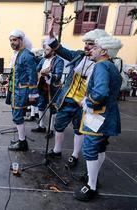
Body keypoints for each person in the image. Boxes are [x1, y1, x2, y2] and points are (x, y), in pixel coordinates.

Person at [46, 19, 110, 169]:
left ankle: (74, 155)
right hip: (67, 99)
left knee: (79, 130)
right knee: (58, 125)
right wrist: (50, 33)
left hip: (84, 103)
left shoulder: (101, 63)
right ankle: (57, 150)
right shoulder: (78, 56)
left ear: (100, 46)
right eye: (86, 43)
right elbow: (60, 49)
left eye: (91, 43)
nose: (87, 46)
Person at [74, 36, 122, 201]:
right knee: (100, 148)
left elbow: (100, 93)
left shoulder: (101, 66)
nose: (91, 49)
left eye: (95, 47)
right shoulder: (111, 66)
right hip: (107, 115)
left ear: (104, 51)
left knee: (90, 149)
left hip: (98, 116)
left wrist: (87, 102)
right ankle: (92, 178)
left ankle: (91, 186)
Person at [7, 29, 38, 151]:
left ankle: (22, 143)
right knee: (16, 116)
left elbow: (33, 75)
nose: (12, 42)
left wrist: (33, 93)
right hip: (16, 92)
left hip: (21, 92)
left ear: (21, 40)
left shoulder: (26, 55)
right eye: (10, 40)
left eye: (14, 40)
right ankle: (21, 139)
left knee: (18, 116)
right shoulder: (19, 54)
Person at [31, 43, 64, 138]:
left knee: (53, 108)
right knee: (41, 105)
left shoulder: (59, 61)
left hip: (53, 87)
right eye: (45, 49)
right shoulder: (43, 60)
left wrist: (48, 75)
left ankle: (51, 129)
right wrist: (39, 72)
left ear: (53, 51)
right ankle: (42, 126)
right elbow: (37, 70)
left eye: (47, 50)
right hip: (42, 86)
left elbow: (58, 76)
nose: (45, 51)